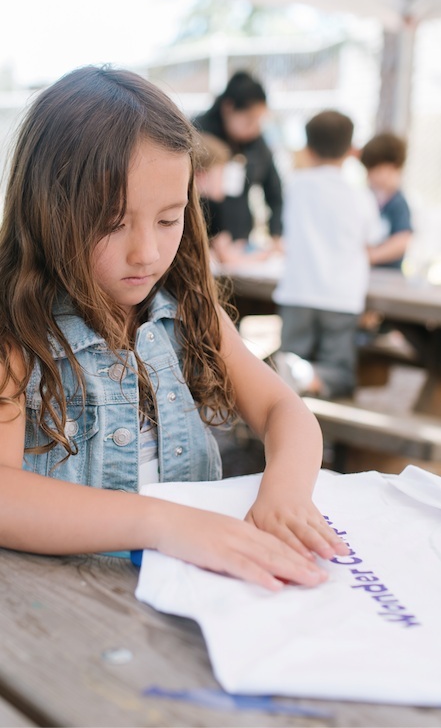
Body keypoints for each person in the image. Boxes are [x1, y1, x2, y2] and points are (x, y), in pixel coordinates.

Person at [0, 65, 348, 590]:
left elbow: (283, 409)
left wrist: (287, 490)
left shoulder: (183, 311)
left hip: (191, 603)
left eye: (168, 220)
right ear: (48, 210)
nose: (147, 252)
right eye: (111, 223)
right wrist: (164, 524)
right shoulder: (17, 331)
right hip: (67, 620)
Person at [273, 109, 382, 400]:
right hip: (341, 296)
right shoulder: (360, 195)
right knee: (341, 372)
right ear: (351, 151)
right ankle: (310, 377)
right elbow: (371, 241)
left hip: (298, 292)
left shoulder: (295, 186)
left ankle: (296, 376)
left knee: (290, 366)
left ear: (307, 150)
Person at [193, 71, 283, 248]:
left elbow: (274, 192)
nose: (255, 128)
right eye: (250, 119)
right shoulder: (197, 135)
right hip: (204, 242)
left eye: (259, 121)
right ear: (229, 108)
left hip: (241, 242)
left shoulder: (257, 142)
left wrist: (276, 233)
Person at [194, 131, 272, 266]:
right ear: (200, 176)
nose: (224, 184)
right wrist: (261, 256)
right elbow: (228, 258)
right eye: (220, 175)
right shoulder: (209, 208)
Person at [359, 132, 413, 270]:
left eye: (379, 170)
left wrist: (371, 256)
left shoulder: (397, 203)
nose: (372, 177)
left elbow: (402, 240)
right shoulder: (366, 198)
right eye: (370, 171)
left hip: (388, 276)